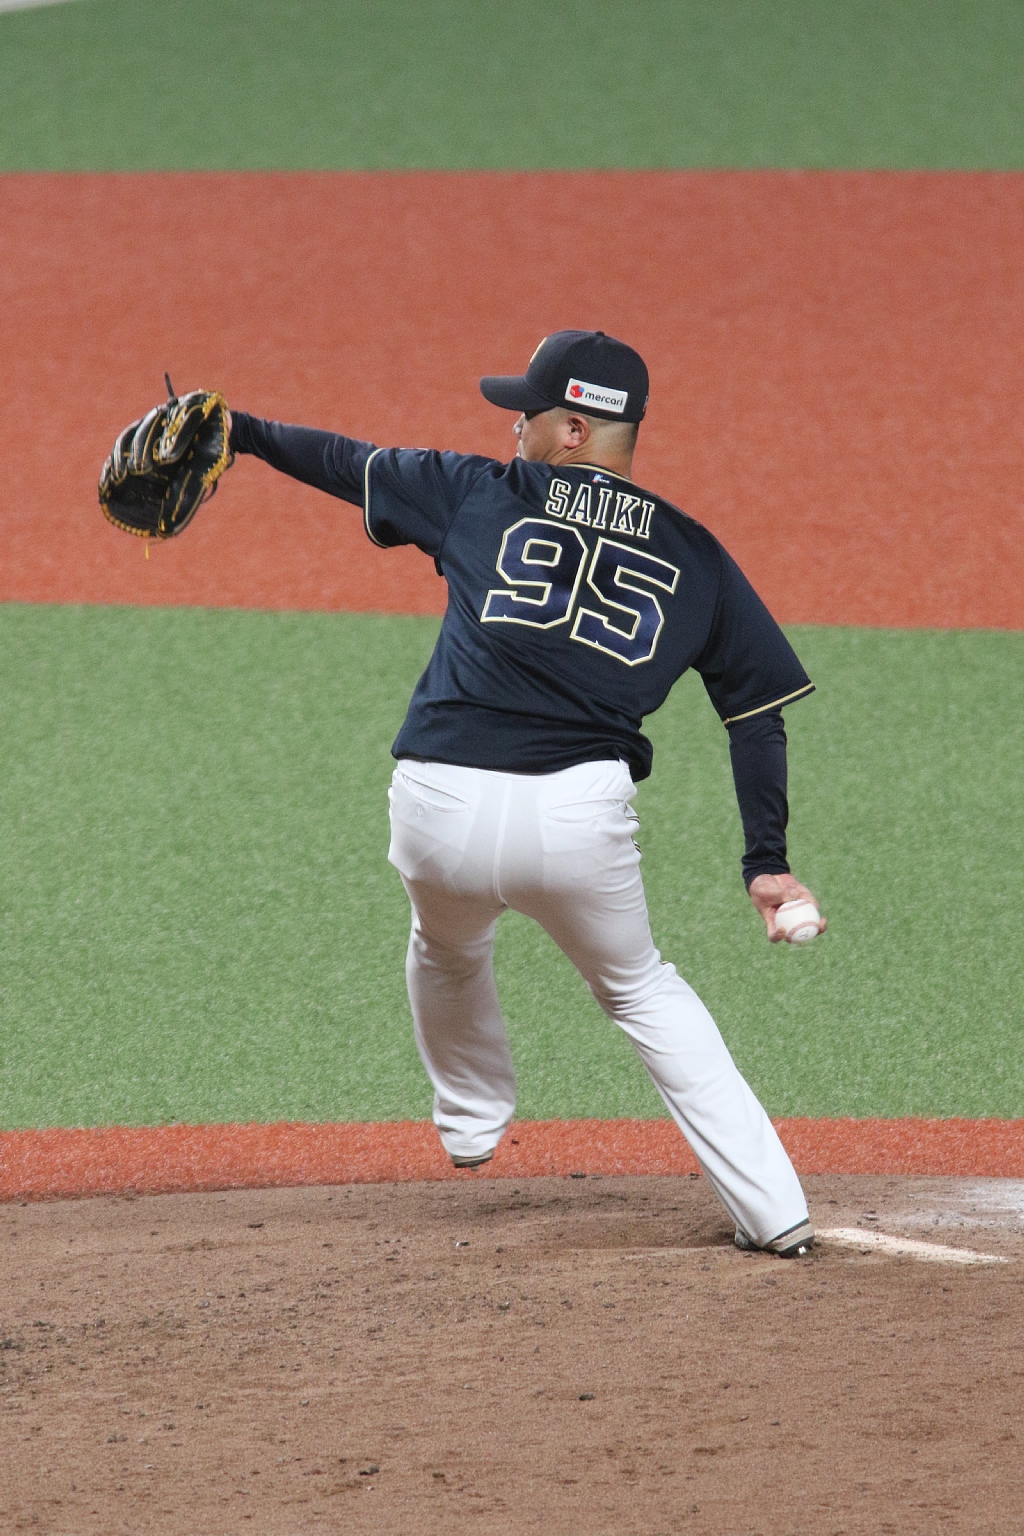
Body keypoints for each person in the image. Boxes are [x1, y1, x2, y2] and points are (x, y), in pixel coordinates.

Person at [226, 329, 825, 1257]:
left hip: (437, 804)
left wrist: (242, 431)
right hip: (578, 824)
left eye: (528, 413)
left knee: (445, 943)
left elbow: (345, 462)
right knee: (642, 992)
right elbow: (757, 716)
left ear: (575, 430)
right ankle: (775, 1211)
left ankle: (469, 1122)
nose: (514, 426)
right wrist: (767, 863)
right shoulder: (698, 555)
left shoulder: (479, 492)